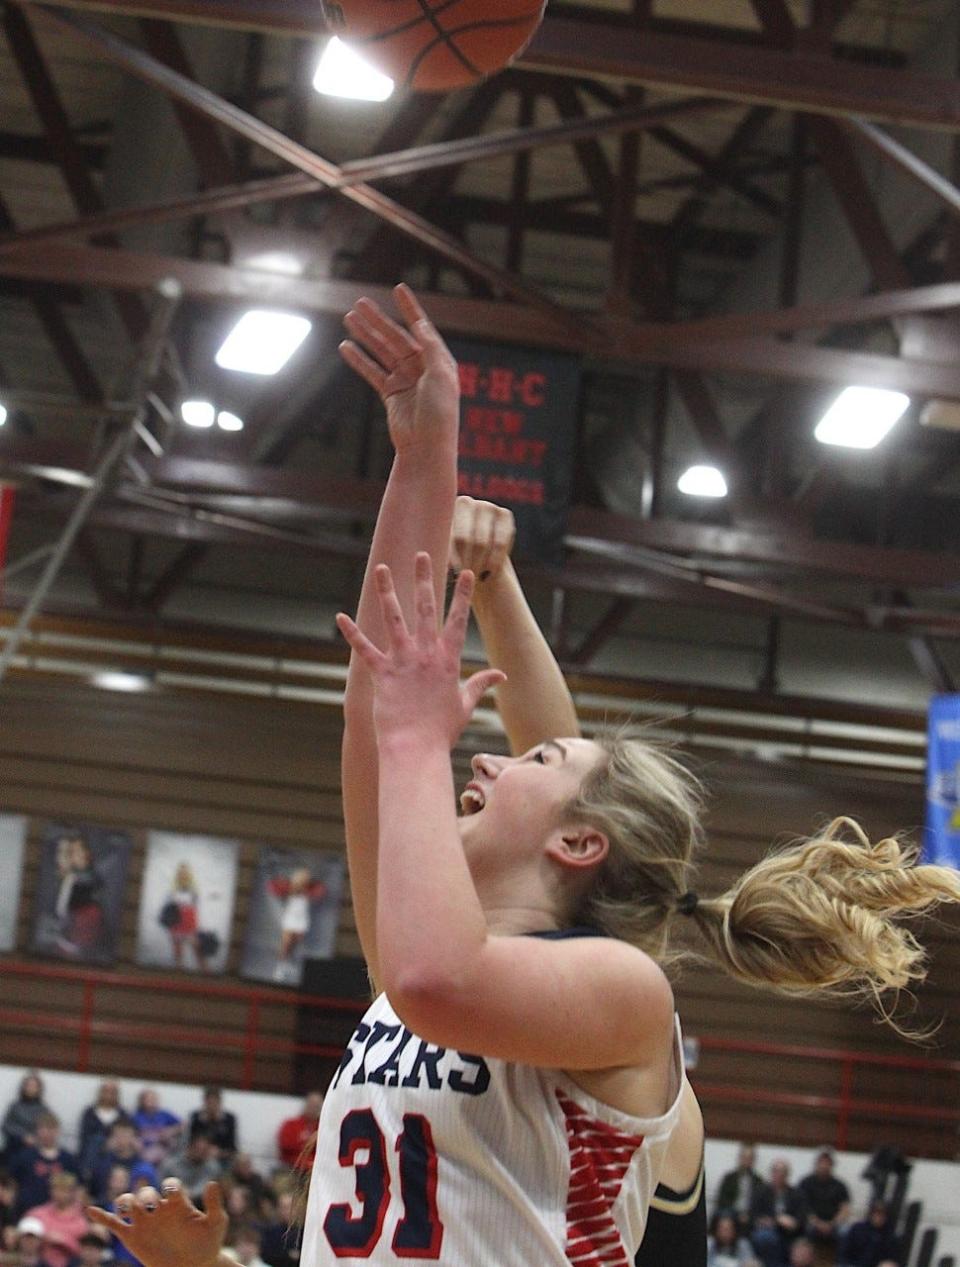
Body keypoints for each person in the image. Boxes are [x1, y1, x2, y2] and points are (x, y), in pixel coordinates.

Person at [88, 287, 960, 1267]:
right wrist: (423, 456)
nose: (493, 753)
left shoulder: (623, 995)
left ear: (581, 842)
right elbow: (375, 706)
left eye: (535, 758)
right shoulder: (406, 983)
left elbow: (436, 967)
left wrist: (423, 735)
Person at [9, 1116, 78, 1217]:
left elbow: (77, 1187)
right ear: (37, 1131)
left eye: (51, 1129)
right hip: (27, 1212)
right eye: (43, 1129)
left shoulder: (68, 1159)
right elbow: (12, 1182)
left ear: (57, 1131)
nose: (47, 1133)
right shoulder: (24, 1156)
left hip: (58, 1215)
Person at [267, 870, 326, 985]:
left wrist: (308, 888)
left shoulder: (309, 892)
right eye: (299, 880)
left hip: (301, 920)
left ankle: (291, 965)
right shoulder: (289, 889)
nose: (301, 882)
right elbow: (273, 887)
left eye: (304, 880)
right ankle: (280, 967)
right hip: (290, 920)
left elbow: (320, 892)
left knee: (297, 944)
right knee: (286, 943)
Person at [751, 1158, 807, 1267]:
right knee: (765, 1237)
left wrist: (794, 1223)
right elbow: (753, 1214)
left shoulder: (796, 1194)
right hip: (767, 1230)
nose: (779, 1175)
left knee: (801, 1244)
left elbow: (802, 1216)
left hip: (790, 1232)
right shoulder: (761, 1191)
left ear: (787, 1175)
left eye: (783, 1172)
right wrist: (776, 1220)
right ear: (771, 1173)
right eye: (776, 1171)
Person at [23, 1173, 87, 1267]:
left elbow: (86, 1251)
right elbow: (24, 1238)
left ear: (72, 1193)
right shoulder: (37, 1214)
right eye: (56, 1189)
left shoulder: (80, 1221)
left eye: (64, 1190)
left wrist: (64, 1241)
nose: (59, 1194)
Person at [800, 1148, 851, 1260]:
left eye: (827, 1163)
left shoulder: (840, 1185)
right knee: (805, 1228)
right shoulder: (805, 1183)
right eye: (821, 1162)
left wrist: (832, 1224)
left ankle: (841, 1263)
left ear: (832, 1165)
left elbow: (845, 1209)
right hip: (812, 1222)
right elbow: (803, 1208)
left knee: (845, 1231)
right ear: (816, 1163)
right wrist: (818, 1223)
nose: (824, 1165)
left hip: (834, 1223)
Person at [76, 1083, 130, 1187]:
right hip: (92, 1154)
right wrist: (104, 1144)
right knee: (96, 1141)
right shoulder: (89, 1112)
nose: (108, 1095)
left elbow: (126, 1132)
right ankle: (88, 1177)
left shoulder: (123, 1114)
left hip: (116, 1153)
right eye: (106, 1091)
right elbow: (84, 1138)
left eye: (112, 1092)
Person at [716, 1144, 764, 1237]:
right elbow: (722, 1200)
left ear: (753, 1160)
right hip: (731, 1211)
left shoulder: (758, 1181)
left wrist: (748, 1215)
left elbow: (759, 1203)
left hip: (750, 1214)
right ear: (740, 1158)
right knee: (724, 1217)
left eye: (750, 1158)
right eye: (744, 1157)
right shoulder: (729, 1178)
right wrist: (737, 1214)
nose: (747, 1160)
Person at [839, 1200, 902, 1267]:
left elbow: (893, 1260)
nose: (878, 1217)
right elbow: (843, 1252)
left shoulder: (891, 1236)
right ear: (871, 1214)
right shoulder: (857, 1229)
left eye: (882, 1214)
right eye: (876, 1213)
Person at [1, 1076, 48, 1164]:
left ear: (39, 1089)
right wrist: (23, 1137)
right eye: (28, 1085)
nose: (31, 1088)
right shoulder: (14, 1106)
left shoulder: (44, 1110)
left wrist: (33, 1138)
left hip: (35, 1148)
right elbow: (6, 1126)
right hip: (14, 1145)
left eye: (34, 1086)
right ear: (23, 1087)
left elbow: (46, 1130)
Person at [131, 1092, 181, 1170]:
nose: (152, 1102)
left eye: (154, 1099)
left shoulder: (164, 1114)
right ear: (142, 1101)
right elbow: (129, 1133)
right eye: (148, 1099)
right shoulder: (136, 1117)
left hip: (164, 1153)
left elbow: (183, 1125)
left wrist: (170, 1131)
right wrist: (134, 1141)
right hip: (144, 1154)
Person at [275, 1095, 320, 1172]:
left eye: (316, 1106)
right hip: (291, 1167)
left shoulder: (322, 1127)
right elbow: (285, 1145)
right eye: (311, 1105)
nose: (313, 1109)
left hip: (315, 1169)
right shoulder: (291, 1124)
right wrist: (309, 1145)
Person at [188, 1090, 236, 1162]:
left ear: (219, 1103)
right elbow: (190, 1141)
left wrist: (220, 1153)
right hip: (198, 1155)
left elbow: (232, 1148)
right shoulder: (196, 1117)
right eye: (209, 1102)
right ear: (204, 1102)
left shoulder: (229, 1119)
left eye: (214, 1103)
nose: (211, 1106)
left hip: (221, 1157)